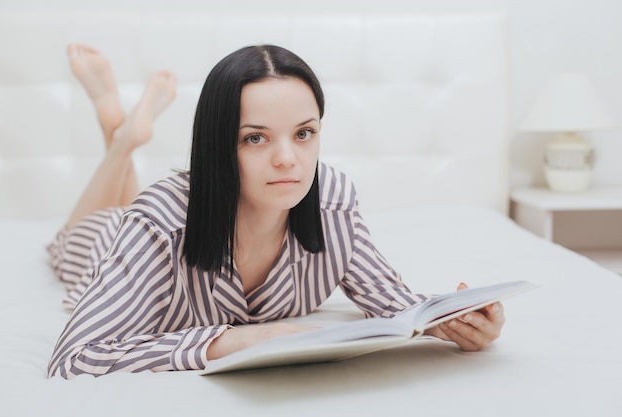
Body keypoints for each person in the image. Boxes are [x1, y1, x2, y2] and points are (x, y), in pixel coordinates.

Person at [47, 43, 505, 379]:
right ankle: (121, 137)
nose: (289, 159)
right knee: (70, 241)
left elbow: (397, 306)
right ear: (219, 146)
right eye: (256, 137)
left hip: (164, 216)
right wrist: (235, 339)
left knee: (136, 202)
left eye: (304, 133)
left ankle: (120, 130)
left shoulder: (333, 205)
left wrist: (454, 322)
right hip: (111, 241)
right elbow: (73, 358)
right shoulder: (156, 224)